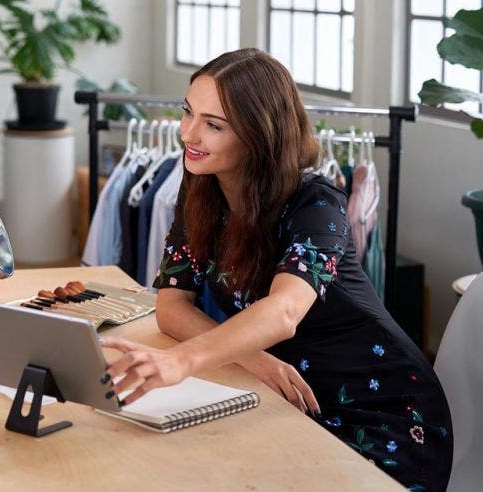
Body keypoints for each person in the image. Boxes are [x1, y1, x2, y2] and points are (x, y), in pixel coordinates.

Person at [101, 48, 452, 492]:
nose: (189, 133)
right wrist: (250, 357)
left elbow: (285, 311)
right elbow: (172, 306)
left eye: (214, 125)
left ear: (259, 134)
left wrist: (182, 360)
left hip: (386, 411)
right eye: (188, 113)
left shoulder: (317, 204)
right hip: (292, 399)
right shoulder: (201, 188)